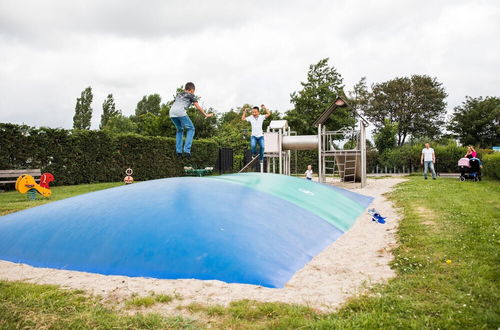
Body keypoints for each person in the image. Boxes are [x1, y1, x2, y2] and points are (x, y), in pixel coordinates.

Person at [169, 82, 213, 157]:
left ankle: (178, 151)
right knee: (191, 128)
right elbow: (198, 107)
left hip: (171, 113)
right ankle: (187, 150)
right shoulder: (191, 95)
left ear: (185, 89)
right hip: (180, 112)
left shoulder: (179, 94)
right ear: (192, 90)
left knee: (180, 130)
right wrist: (205, 114)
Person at [241, 105, 271, 170]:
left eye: (255, 112)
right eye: (253, 112)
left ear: (258, 112)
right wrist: (245, 111)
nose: (254, 113)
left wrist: (264, 108)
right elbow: (243, 119)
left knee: (262, 147)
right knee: (253, 145)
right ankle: (254, 154)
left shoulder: (261, 117)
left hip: (260, 136)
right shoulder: (250, 117)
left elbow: (269, 114)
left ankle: (261, 159)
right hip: (253, 136)